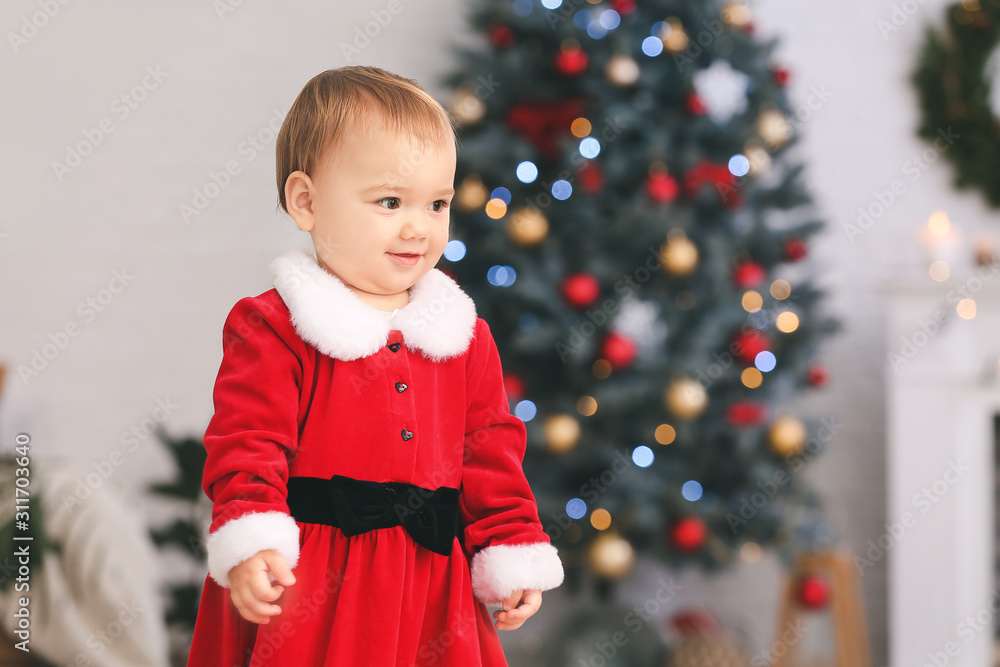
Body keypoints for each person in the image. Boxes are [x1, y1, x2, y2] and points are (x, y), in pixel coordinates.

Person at [185, 66, 565, 667]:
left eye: (437, 203)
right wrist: (252, 535)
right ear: (306, 202)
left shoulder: (462, 335)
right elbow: (247, 440)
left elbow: (490, 451)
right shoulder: (276, 327)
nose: (419, 226)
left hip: (431, 592)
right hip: (312, 584)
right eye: (390, 201)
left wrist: (510, 542)